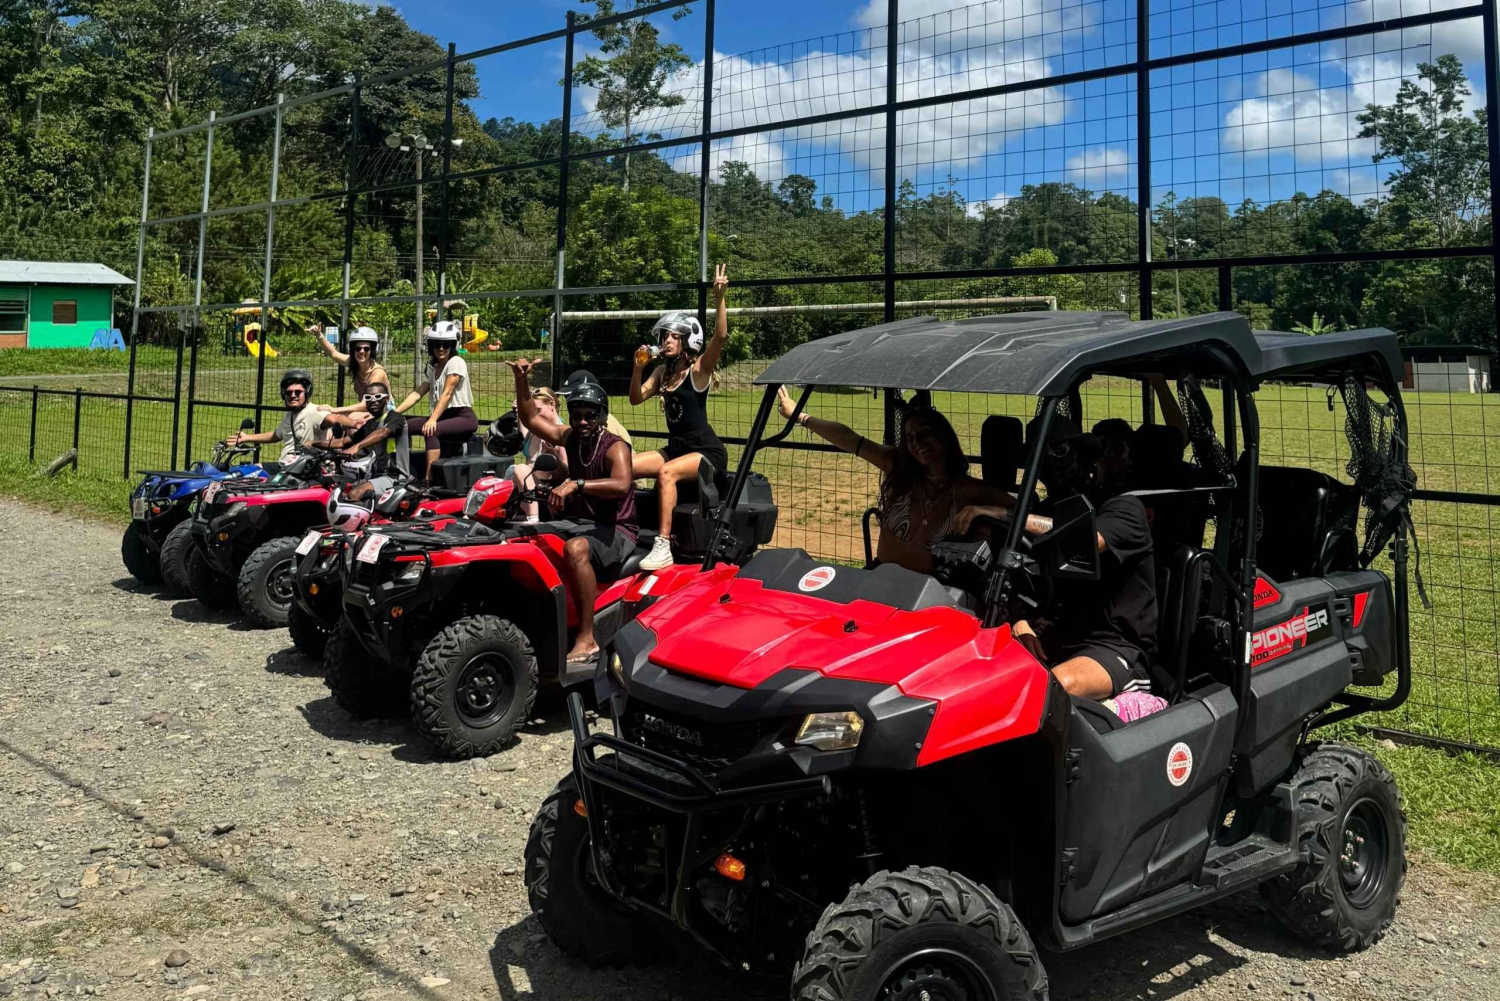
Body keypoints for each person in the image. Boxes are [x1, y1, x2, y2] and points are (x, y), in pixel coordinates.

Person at [955, 416, 1158, 701]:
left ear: (1086, 457)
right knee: (976, 676)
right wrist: (1018, 621)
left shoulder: (1123, 508)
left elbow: (1084, 542)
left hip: (1113, 646)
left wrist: (1007, 515)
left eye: (1060, 451)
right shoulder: (1043, 511)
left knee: (1048, 689)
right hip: (1055, 633)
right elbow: (1019, 580)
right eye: (1041, 457)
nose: (1052, 465)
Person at [778, 386, 1015, 574]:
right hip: (880, 579)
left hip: (932, 595)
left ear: (944, 435)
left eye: (925, 432)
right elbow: (847, 438)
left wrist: (992, 512)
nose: (917, 442)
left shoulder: (969, 490)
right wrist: (799, 416)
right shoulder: (897, 468)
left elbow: (1032, 516)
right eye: (910, 437)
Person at [506, 357, 637, 664]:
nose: (581, 421)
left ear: (601, 416)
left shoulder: (615, 446)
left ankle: (587, 638)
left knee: (576, 549)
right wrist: (522, 380)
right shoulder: (571, 437)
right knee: (527, 537)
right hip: (583, 522)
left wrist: (576, 485)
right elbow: (530, 419)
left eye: (589, 415)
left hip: (617, 528)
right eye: (576, 415)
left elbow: (620, 484)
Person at [628, 263, 732, 572]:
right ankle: (623, 523)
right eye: (665, 336)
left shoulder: (698, 370)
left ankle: (663, 545)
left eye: (673, 336)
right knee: (627, 465)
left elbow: (721, 336)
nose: (666, 341)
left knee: (667, 473)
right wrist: (637, 367)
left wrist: (719, 298)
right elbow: (635, 399)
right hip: (677, 446)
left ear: (688, 340)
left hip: (705, 451)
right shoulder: (662, 372)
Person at [396, 321, 478, 482]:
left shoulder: (456, 362)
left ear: (453, 345)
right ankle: (403, 472)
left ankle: (428, 479)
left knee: (431, 430)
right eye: (436, 344)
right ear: (431, 346)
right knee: (403, 426)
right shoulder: (433, 367)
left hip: (463, 416)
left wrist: (433, 419)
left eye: (445, 344)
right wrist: (395, 413)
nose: (441, 348)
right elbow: (418, 393)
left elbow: (447, 392)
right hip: (442, 416)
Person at [307, 378, 408, 501]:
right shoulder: (370, 424)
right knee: (336, 488)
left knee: (355, 494)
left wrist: (357, 446)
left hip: (395, 477)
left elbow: (383, 433)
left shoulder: (395, 418)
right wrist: (313, 443)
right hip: (374, 474)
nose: (373, 401)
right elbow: (343, 442)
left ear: (386, 398)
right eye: (368, 398)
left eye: (377, 396)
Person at [223, 369, 335, 463]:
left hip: (303, 469)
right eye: (288, 393)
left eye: (297, 392)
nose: (292, 396)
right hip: (285, 465)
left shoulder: (315, 412)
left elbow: (334, 420)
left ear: (307, 393)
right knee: (250, 470)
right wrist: (247, 437)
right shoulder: (289, 415)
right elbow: (276, 435)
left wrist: (347, 427)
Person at [509, 385, 568, 523]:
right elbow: (523, 427)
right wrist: (520, 410)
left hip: (546, 491)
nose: (535, 414)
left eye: (538, 410)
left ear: (552, 405)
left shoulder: (562, 433)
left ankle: (533, 518)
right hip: (527, 487)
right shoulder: (536, 430)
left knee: (521, 469)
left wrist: (554, 454)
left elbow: (566, 473)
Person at [308, 324, 392, 418]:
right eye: (358, 348)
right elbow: (333, 353)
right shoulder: (353, 362)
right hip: (368, 410)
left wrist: (334, 409)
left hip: (383, 412)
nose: (361, 351)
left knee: (352, 417)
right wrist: (319, 335)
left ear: (372, 350)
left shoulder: (377, 373)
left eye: (366, 349)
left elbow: (365, 404)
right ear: (353, 350)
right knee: (330, 417)